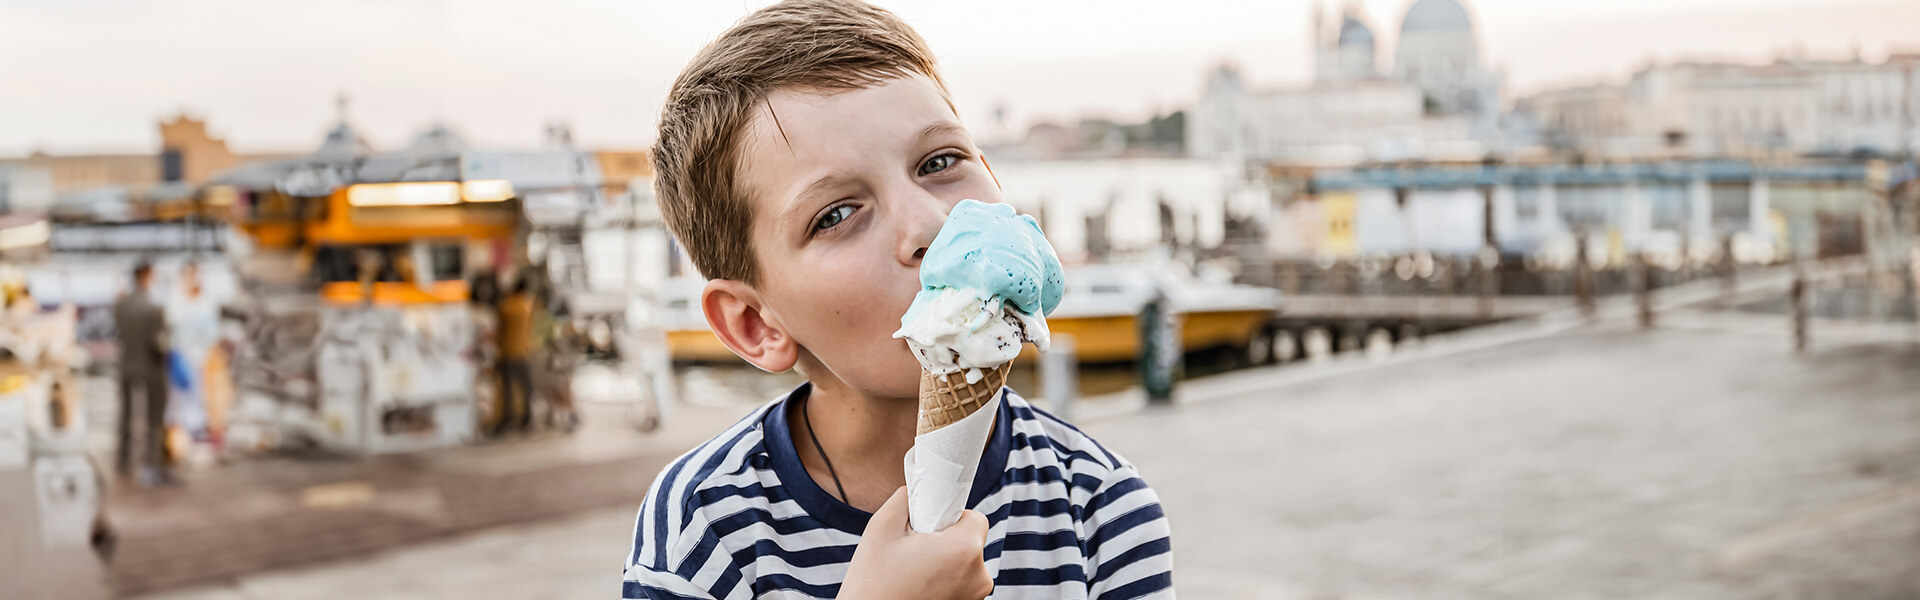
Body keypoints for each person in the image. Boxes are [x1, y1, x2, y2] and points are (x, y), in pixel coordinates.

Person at [621, 2, 1173, 598]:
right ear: (757, 324)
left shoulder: (1100, 508)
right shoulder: (704, 529)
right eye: (835, 215)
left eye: (939, 162)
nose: (931, 224)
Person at [112, 261, 174, 487]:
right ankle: (152, 464)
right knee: (153, 418)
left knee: (126, 415)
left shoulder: (120, 305)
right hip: (150, 366)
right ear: (147, 275)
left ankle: (122, 462)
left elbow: (118, 334)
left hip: (127, 365)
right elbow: (159, 343)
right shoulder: (153, 308)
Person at [492, 276, 535, 435]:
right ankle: (527, 419)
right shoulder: (526, 305)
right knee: (526, 388)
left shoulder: (507, 306)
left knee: (507, 390)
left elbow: (499, 322)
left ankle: (507, 420)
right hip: (523, 353)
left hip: (507, 353)